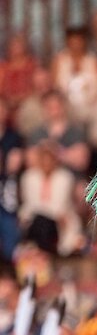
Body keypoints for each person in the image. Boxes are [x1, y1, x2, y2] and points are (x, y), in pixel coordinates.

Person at [0, 101, 23, 263]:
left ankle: (10, 267)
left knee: (9, 224)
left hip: (7, 187)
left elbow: (12, 167)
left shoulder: (13, 137)